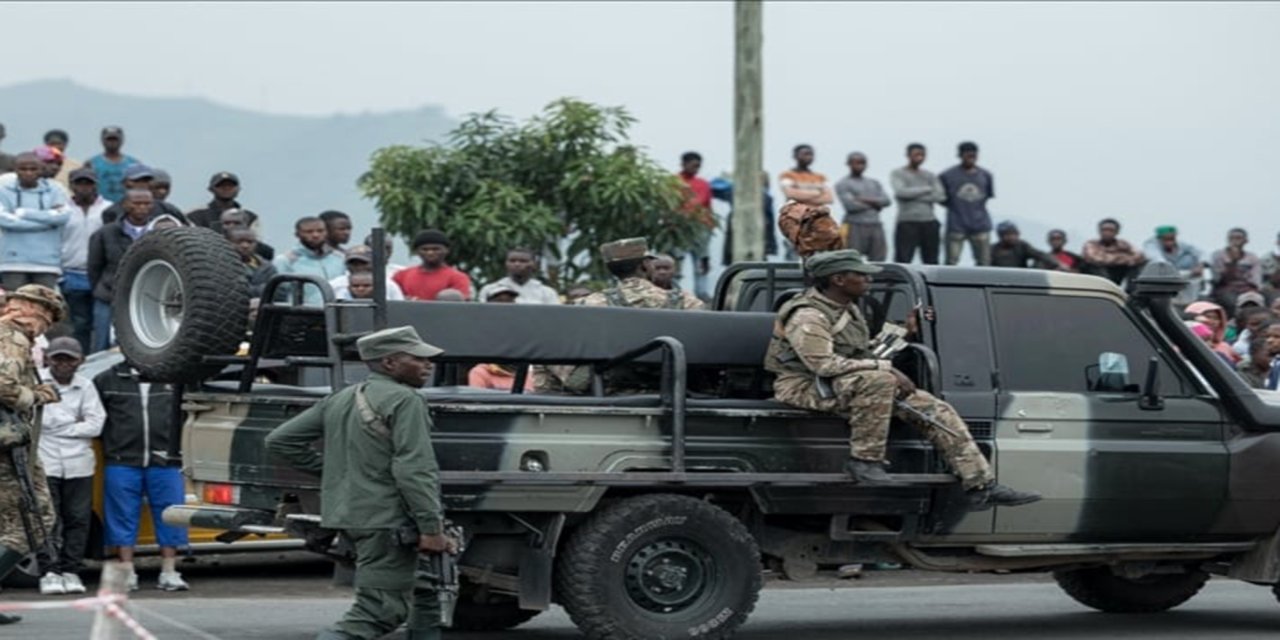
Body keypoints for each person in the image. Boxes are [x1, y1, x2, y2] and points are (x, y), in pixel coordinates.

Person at [764, 250, 1039, 508]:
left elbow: (864, 351)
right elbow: (822, 364)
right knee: (880, 380)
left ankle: (980, 485)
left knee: (934, 408)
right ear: (838, 279)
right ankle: (864, 461)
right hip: (802, 387)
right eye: (860, 275)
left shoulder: (847, 309)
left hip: (842, 384)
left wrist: (904, 332)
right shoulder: (808, 315)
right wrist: (886, 368)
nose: (868, 279)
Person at [265, 326, 453, 640]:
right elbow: (415, 469)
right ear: (390, 363)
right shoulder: (406, 400)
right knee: (379, 612)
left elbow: (280, 441)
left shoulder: (343, 397)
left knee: (425, 591)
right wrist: (431, 528)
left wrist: (340, 472)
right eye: (418, 358)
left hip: (354, 515)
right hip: (387, 520)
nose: (428, 364)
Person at [534, 238, 703, 394]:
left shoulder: (589, 303)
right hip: (675, 388)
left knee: (547, 346)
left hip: (609, 389)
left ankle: (548, 404)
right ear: (646, 265)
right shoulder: (688, 302)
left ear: (611, 270)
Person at [0, 285, 66, 624]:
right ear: (32, 309)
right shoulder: (12, 337)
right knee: (31, 524)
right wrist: (36, 395)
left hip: (13, 443)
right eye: (48, 317)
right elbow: (3, 384)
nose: (47, 326)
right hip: (8, 447)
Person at [94, 360, 190, 592]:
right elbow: (96, 418)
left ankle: (169, 571)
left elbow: (188, 414)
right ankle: (127, 571)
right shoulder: (106, 380)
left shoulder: (174, 378)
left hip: (166, 460)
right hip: (121, 460)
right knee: (122, 515)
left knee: (171, 514)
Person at [36, 337, 105, 596]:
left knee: (78, 518)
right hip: (45, 462)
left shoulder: (85, 386)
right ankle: (49, 570)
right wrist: (75, 424)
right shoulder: (38, 382)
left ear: (80, 361)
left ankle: (70, 569)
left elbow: (96, 423)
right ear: (48, 358)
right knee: (47, 518)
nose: (64, 364)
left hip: (79, 463)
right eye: (58, 358)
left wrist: (61, 426)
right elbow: (38, 422)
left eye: (70, 359)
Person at [87, 189, 155, 352]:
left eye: (147, 203)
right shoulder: (105, 233)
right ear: (125, 205)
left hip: (146, 295)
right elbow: (94, 266)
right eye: (136, 203)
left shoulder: (157, 231)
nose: (142, 208)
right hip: (108, 295)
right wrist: (102, 288)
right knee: (101, 342)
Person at [0, 152, 72, 290]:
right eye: (23, 169)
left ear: (41, 170)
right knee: (15, 307)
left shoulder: (55, 190)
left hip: (47, 263)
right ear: (15, 170)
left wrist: (24, 213)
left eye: (33, 169)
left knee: (45, 307)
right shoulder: (3, 191)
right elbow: (4, 220)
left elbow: (63, 216)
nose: (28, 173)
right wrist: (47, 222)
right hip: (13, 261)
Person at [61, 168, 109, 352]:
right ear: (72, 185)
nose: (84, 188)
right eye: (79, 183)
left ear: (95, 185)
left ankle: (98, 360)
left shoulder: (107, 209)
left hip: (101, 276)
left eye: (88, 183)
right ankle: (80, 359)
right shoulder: (61, 210)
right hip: (72, 272)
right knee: (80, 323)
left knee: (102, 323)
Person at [469, 284, 535, 391]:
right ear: (488, 302)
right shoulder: (478, 324)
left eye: (509, 300)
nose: (505, 304)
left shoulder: (523, 323)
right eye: (499, 299)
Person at [939, 142, 994, 266]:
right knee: (951, 262)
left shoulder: (985, 175)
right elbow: (942, 199)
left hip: (980, 225)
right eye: (968, 155)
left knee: (984, 263)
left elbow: (987, 196)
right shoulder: (947, 175)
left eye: (973, 155)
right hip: (956, 225)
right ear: (960, 155)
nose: (971, 158)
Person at [889, 143, 946, 265]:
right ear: (908, 155)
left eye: (922, 155)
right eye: (916, 155)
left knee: (931, 260)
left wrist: (913, 194)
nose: (919, 158)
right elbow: (901, 192)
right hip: (907, 222)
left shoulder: (930, 175)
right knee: (903, 259)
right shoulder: (898, 173)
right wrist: (926, 189)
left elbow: (940, 196)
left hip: (929, 221)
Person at [274, 217, 347, 306]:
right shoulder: (286, 260)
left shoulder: (340, 258)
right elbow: (279, 293)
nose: (315, 235)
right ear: (297, 234)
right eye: (309, 232)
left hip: (336, 312)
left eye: (320, 231)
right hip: (303, 314)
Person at [835, 152, 891, 261]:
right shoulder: (843, 183)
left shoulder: (874, 183)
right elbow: (850, 206)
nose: (859, 165)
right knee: (851, 260)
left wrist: (862, 199)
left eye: (862, 163)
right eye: (856, 163)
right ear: (849, 164)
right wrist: (875, 204)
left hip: (875, 224)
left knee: (879, 260)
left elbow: (886, 201)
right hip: (854, 225)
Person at [393, 230, 472, 301]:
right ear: (417, 251)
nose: (430, 253)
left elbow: (459, 304)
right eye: (424, 249)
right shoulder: (401, 276)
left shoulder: (458, 277)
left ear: (446, 250)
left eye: (436, 249)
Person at [100, 165, 185, 225]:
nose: (142, 184)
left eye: (146, 180)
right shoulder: (112, 212)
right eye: (137, 180)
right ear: (125, 183)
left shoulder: (167, 209)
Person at [1142, 225, 1205, 305]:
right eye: (1166, 239)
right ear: (1159, 238)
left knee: (1189, 258)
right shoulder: (1150, 245)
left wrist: (1200, 265)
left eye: (1172, 238)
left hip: (1184, 278)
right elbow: (1160, 261)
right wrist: (1189, 273)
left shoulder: (1182, 244)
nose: (1170, 241)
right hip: (1162, 279)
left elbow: (1201, 253)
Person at [477, 248, 560, 305]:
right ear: (506, 264)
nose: (517, 264)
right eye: (512, 261)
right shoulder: (489, 289)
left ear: (534, 264)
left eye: (523, 261)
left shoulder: (547, 292)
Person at [1210, 228, 1263, 312]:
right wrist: (1233, 261)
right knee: (1232, 302)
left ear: (1246, 241)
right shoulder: (1218, 255)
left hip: (1246, 289)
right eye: (1232, 238)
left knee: (1256, 301)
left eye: (1238, 238)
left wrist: (1252, 289)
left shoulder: (1252, 257)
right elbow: (1217, 278)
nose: (1235, 241)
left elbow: (1256, 279)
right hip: (1225, 289)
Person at [1081, 218, 1145, 285]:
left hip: (1117, 272)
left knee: (1137, 266)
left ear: (1117, 232)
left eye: (1111, 230)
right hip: (1099, 274)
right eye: (1104, 230)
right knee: (1095, 266)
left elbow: (1139, 256)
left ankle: (1132, 291)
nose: (1107, 233)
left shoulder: (1124, 244)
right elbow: (1095, 258)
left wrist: (1116, 259)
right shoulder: (1091, 244)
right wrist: (1122, 257)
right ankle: (1105, 287)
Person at [187, 172, 260, 231]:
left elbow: (256, 244)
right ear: (210, 189)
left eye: (231, 185)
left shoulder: (251, 217)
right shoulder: (195, 215)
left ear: (238, 189)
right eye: (220, 186)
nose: (226, 188)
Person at [85, 127, 139, 205]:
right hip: (100, 207)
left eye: (115, 139)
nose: (112, 142)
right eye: (109, 139)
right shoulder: (92, 163)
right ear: (102, 141)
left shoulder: (133, 164)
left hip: (126, 207)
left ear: (122, 140)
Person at [330, 245, 404, 301]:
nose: (359, 267)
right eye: (354, 263)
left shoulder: (388, 284)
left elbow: (399, 309)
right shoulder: (335, 284)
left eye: (363, 263)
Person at [989, 221, 1061, 269]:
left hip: (1021, 279)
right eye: (1008, 234)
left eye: (1014, 234)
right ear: (1000, 236)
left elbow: (1040, 254)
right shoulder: (992, 249)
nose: (1011, 237)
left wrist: (1057, 264)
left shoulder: (1022, 246)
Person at [229, 228, 277, 300]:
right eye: (239, 242)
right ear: (229, 243)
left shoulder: (267, 267)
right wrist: (265, 289)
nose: (245, 245)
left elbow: (279, 291)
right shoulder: (223, 264)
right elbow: (230, 290)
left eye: (250, 242)